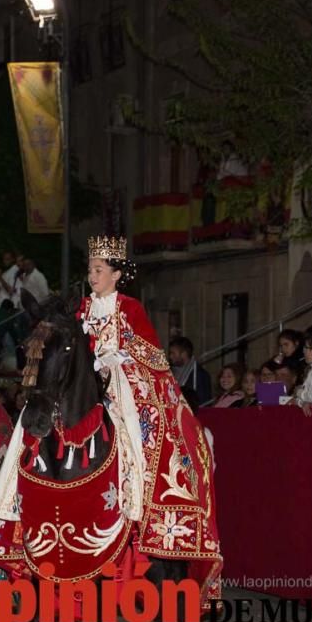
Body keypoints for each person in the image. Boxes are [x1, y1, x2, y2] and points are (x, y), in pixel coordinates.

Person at [77, 234, 222, 603]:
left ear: (115, 274)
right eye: (90, 269)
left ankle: (141, 492)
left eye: (99, 270)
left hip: (125, 381)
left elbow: (152, 356)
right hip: (88, 381)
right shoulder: (81, 309)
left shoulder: (129, 307)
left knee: (137, 425)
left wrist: (116, 360)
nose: (92, 276)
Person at [169, 336, 212, 410]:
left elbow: (203, 403)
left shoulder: (199, 375)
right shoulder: (170, 372)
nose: (170, 356)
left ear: (184, 354)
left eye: (173, 353)